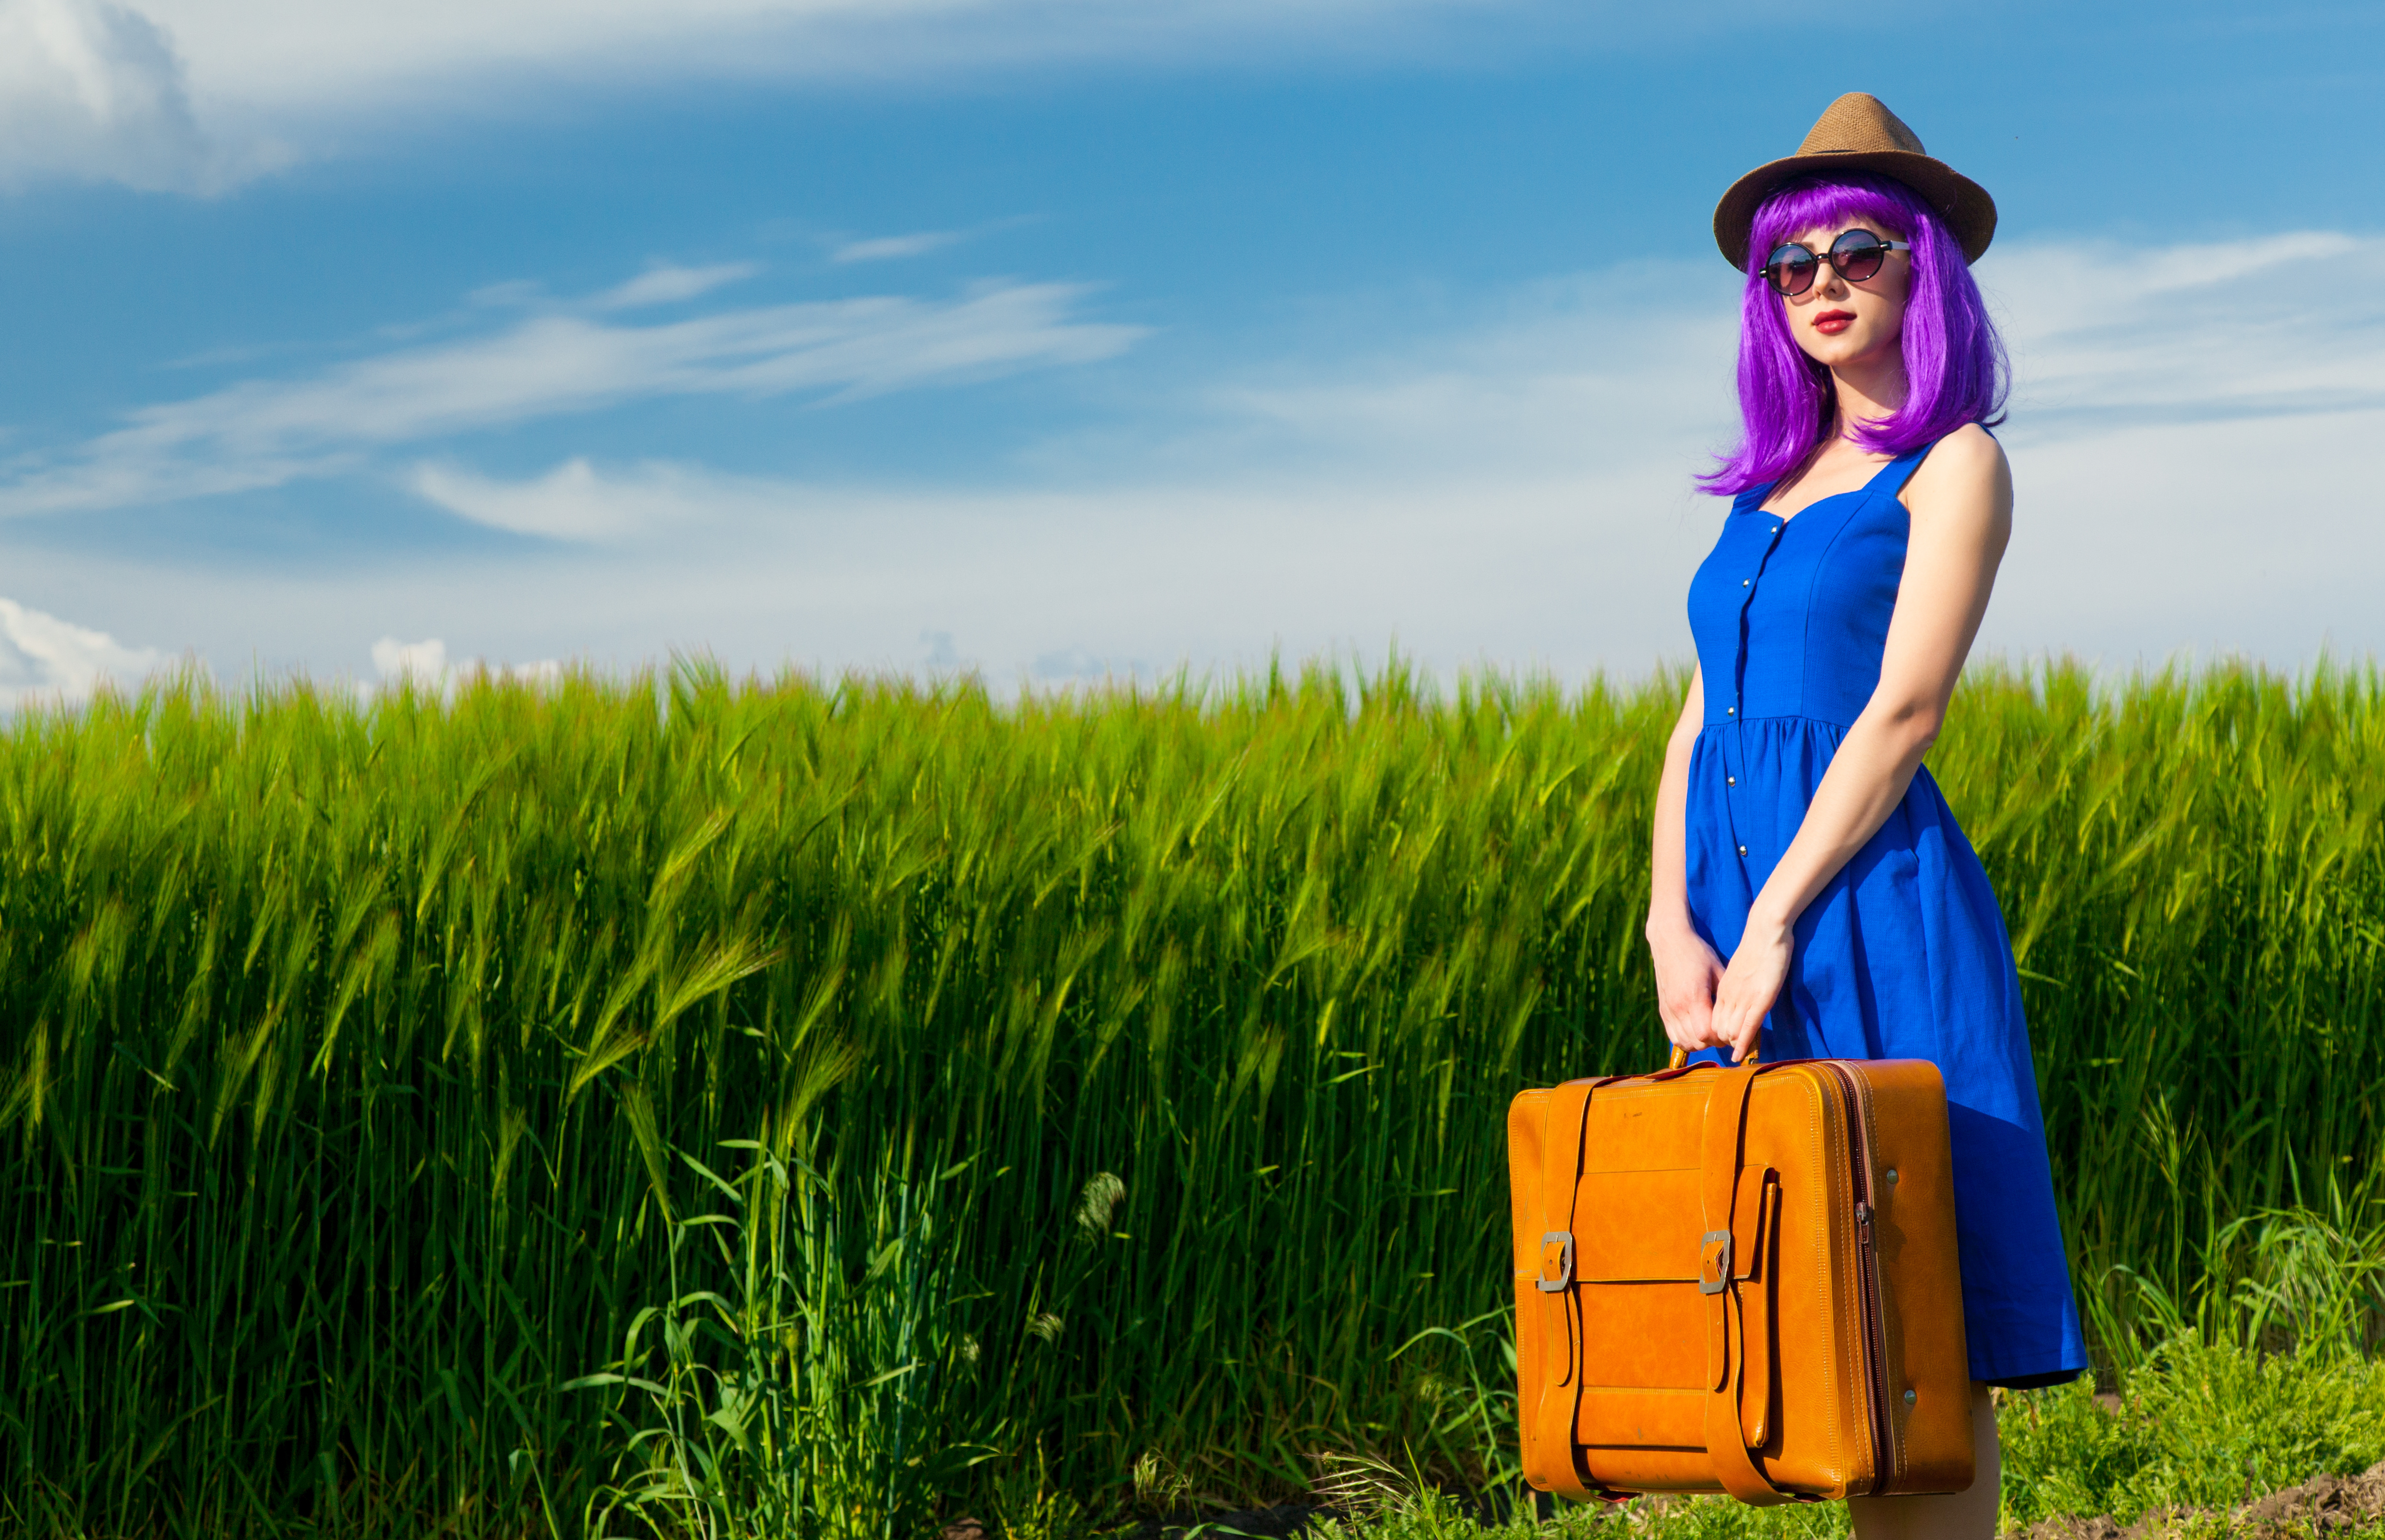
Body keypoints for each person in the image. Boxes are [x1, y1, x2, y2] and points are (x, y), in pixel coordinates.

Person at [1644, 94, 2088, 1540]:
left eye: (1858, 251)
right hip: (1735, 916)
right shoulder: (1759, 489)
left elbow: (1902, 712)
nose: (1824, 284)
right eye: (1792, 265)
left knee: (1910, 1309)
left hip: (1868, 905)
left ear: (1921, 272)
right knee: (1811, 1304)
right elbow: (1697, 714)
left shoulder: (1954, 461)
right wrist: (1671, 920)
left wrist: (1772, 916)